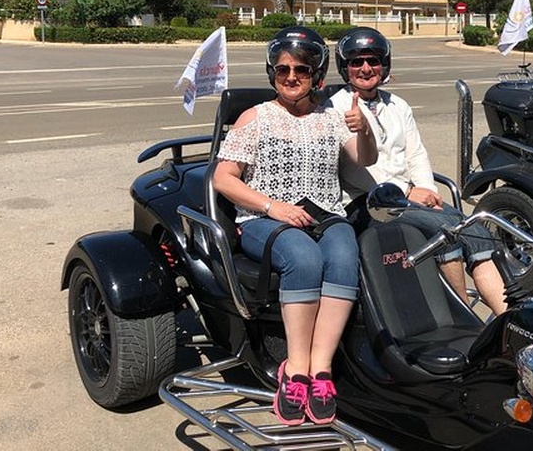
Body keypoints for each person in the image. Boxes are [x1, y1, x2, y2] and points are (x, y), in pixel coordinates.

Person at [213, 27, 377, 426]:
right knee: (303, 259)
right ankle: (296, 369)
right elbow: (223, 178)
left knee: (345, 255)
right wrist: (275, 208)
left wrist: (364, 128)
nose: (290, 76)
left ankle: (321, 370)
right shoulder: (255, 118)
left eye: (301, 70)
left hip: (324, 214)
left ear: (316, 74)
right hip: (263, 219)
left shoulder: (331, 118)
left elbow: (365, 159)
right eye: (282, 69)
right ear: (272, 72)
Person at [328, 26, 507, 316]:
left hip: (407, 199)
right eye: (356, 61)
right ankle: (464, 319)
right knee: (446, 234)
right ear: (344, 66)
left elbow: (416, 153)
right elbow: (359, 169)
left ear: (384, 64)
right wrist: (408, 191)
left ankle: (507, 321)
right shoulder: (335, 108)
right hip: (366, 202)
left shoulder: (398, 105)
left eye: (373, 61)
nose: (365, 68)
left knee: (475, 230)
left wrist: (427, 190)